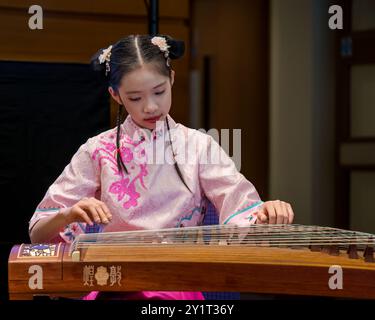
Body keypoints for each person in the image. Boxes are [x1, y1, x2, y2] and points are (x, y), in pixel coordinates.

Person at [28, 34, 294, 300]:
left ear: (172, 80)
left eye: (159, 91)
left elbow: (241, 208)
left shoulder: (199, 146)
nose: (151, 106)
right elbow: (39, 232)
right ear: (116, 95)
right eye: (135, 98)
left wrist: (266, 213)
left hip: (178, 279)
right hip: (116, 281)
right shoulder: (97, 150)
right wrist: (69, 215)